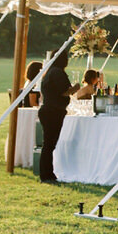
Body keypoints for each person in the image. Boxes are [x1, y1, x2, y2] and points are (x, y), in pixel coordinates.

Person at [38, 48, 78, 183]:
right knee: (49, 144)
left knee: (49, 144)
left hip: (49, 110)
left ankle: (48, 172)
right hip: (53, 111)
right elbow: (64, 91)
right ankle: (46, 174)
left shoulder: (49, 72)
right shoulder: (58, 73)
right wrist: (76, 88)